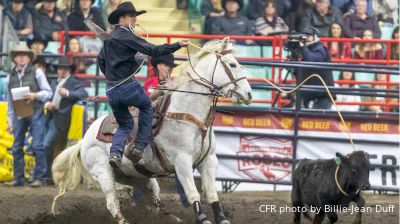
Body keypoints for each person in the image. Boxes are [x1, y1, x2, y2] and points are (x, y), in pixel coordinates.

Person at [97, 2, 189, 174]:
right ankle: (139, 146)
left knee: (125, 123)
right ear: (122, 18)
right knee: (146, 107)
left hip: (112, 90)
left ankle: (115, 153)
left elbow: (101, 61)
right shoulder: (127, 36)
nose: (135, 20)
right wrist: (177, 45)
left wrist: (112, 78)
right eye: (132, 17)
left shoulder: (109, 38)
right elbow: (152, 50)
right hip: (127, 86)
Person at [4, 44, 52, 187]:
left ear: (29, 57)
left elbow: (48, 92)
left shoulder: (37, 72)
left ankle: (39, 178)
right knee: (17, 146)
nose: (21, 57)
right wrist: (9, 118)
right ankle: (18, 178)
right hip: (18, 114)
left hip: (36, 112)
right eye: (19, 55)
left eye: (24, 55)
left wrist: (35, 95)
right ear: (15, 58)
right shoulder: (9, 77)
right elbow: (9, 100)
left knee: (37, 144)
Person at [43, 56, 88, 181]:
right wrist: (47, 104)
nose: (62, 70)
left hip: (63, 120)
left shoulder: (73, 82)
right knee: (50, 146)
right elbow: (47, 96)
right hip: (51, 117)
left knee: (47, 145)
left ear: (69, 70)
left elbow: (84, 94)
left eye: (65, 68)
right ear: (57, 70)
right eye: (60, 68)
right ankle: (48, 176)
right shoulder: (54, 82)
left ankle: (47, 176)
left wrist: (68, 93)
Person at [298, 26, 335, 109]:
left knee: (321, 120)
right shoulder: (305, 50)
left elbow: (313, 60)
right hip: (309, 92)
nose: (306, 38)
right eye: (304, 36)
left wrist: (303, 48)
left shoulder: (321, 49)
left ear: (315, 37)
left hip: (322, 95)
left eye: (308, 36)